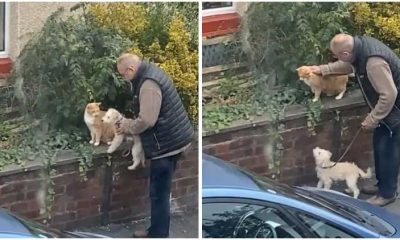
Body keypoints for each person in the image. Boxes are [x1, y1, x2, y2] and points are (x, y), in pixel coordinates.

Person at [306, 33, 400, 206]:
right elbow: (348, 65)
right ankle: (382, 186)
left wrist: (372, 118)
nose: (337, 58)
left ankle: (387, 194)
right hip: (388, 111)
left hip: (395, 112)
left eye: (338, 55)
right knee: (379, 147)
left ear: (346, 53)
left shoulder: (374, 62)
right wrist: (323, 69)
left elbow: (389, 94)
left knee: (388, 152)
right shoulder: (360, 49)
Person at [115, 53, 195, 237]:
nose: (123, 78)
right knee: (160, 193)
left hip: (166, 146)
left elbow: (147, 120)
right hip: (172, 140)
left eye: (122, 74)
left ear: (131, 70)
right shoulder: (148, 74)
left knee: (159, 195)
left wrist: (127, 125)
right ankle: (156, 231)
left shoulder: (148, 85)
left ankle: (158, 235)